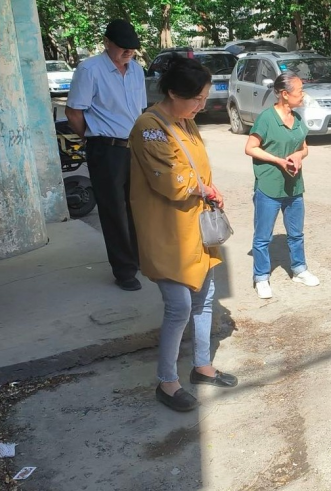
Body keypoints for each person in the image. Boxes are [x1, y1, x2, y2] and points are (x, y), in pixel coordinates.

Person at [129, 57, 238, 412]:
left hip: (195, 228)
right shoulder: (149, 127)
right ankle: (167, 382)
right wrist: (202, 188)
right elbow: (171, 180)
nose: (202, 106)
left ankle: (202, 367)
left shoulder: (185, 121)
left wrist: (208, 188)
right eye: (197, 99)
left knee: (205, 298)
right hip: (168, 233)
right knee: (179, 307)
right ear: (174, 93)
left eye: (205, 98)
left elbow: (196, 168)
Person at [65, 19, 146, 291]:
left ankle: (139, 258)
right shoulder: (90, 70)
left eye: (132, 47)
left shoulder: (136, 70)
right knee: (114, 211)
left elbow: (140, 112)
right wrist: (90, 139)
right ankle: (124, 271)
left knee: (137, 206)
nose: (128, 52)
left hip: (135, 148)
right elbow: (73, 112)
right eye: (122, 47)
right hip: (105, 149)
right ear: (107, 42)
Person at [244, 72, 320, 300]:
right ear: (285, 94)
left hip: (294, 187)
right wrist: (278, 160)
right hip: (269, 186)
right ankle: (261, 277)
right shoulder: (267, 118)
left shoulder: (296, 118)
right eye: (300, 91)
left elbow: (304, 147)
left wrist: (298, 155)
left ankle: (299, 269)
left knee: (296, 233)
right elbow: (250, 148)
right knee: (263, 237)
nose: (303, 95)